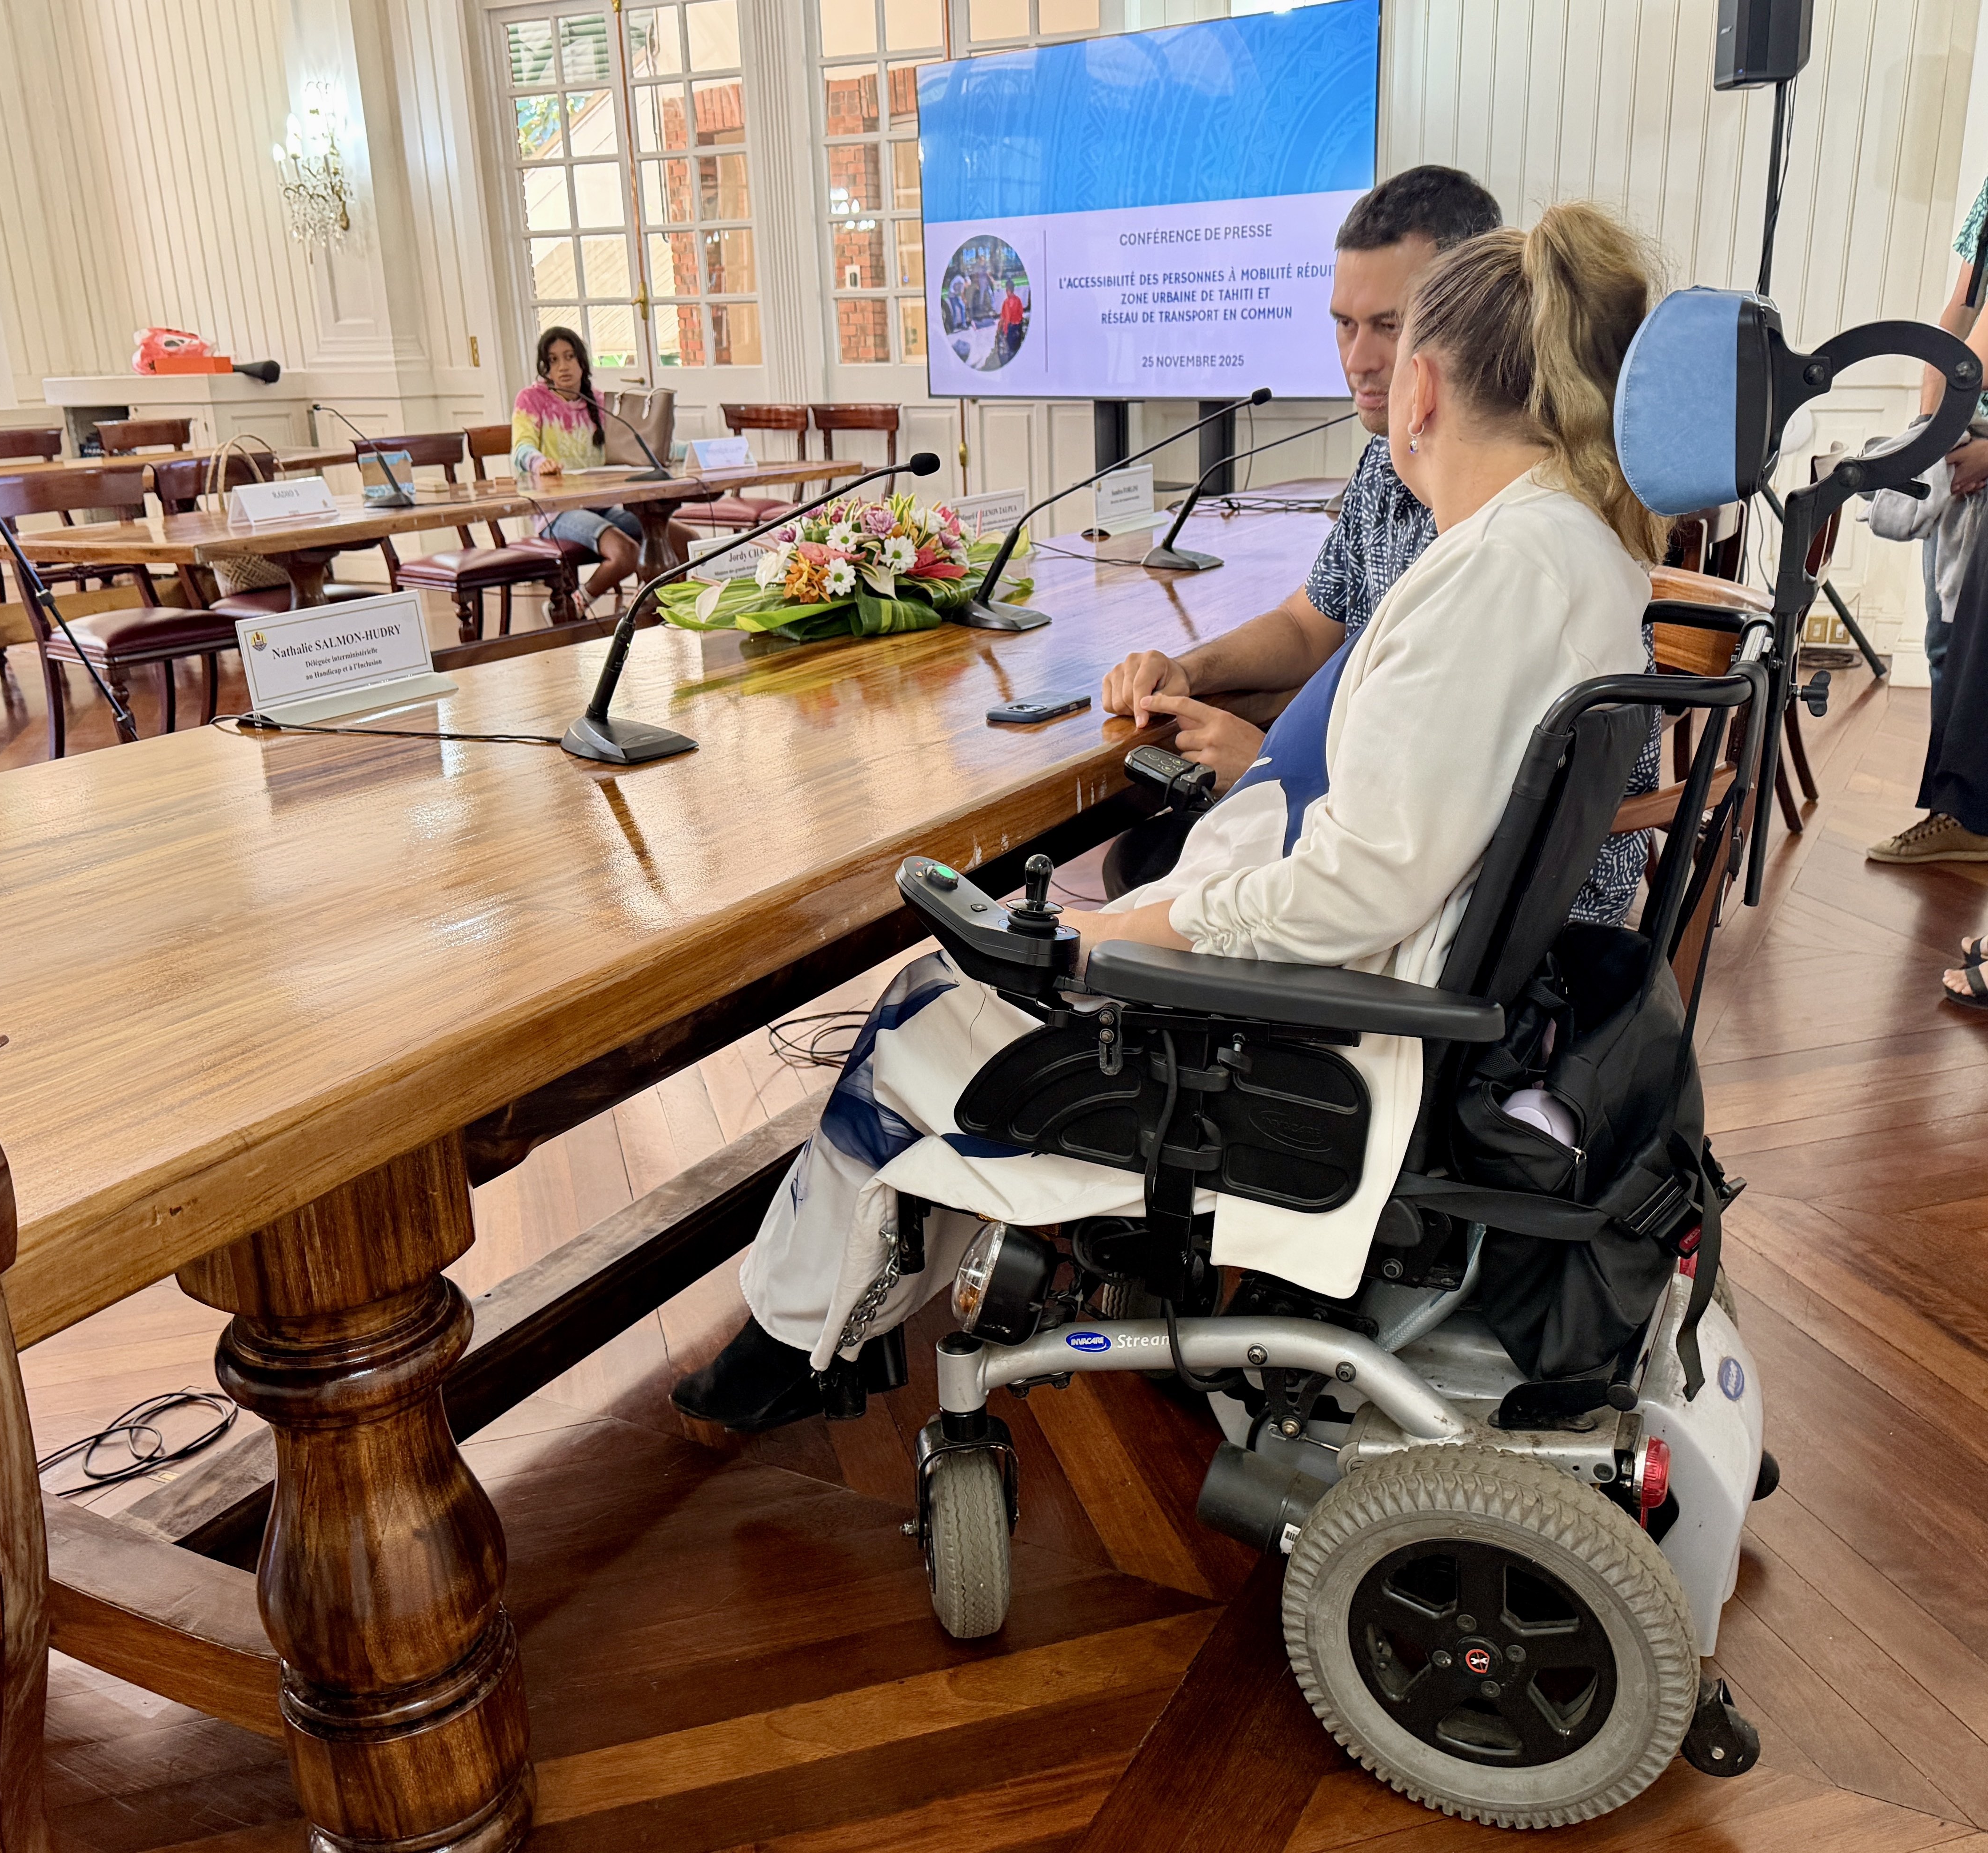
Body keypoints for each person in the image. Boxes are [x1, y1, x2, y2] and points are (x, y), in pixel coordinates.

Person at [673, 201, 1665, 1433]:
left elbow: (1356, 892)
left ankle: (795, 1337)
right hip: (1420, 1017)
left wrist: (1131, 940)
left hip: (1318, 1050)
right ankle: (832, 1318)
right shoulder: (1569, 551)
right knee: (1011, 952)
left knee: (922, 1005)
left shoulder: (1490, 575)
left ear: (1421, 389)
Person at [1096, 168, 1658, 927]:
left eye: (1389, 327)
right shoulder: (1547, 525)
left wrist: (1275, 771)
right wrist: (1191, 670)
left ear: (1429, 373)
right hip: (1459, 898)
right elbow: (1308, 626)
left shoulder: (1493, 569)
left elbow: (1372, 876)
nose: (1359, 360)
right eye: (1342, 324)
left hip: (1461, 923)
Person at [1870, 174, 1988, 866]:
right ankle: (1957, 814)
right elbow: (1957, 313)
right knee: (1943, 637)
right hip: (1959, 435)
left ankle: (1967, 812)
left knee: (1974, 654)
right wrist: (1930, 426)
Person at [510, 325, 694, 614]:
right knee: (625, 553)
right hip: (557, 511)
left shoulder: (597, 401)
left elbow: (638, 445)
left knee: (686, 541)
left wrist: (695, 452)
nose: (563, 367)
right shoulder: (531, 400)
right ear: (544, 367)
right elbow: (521, 449)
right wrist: (539, 462)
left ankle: (658, 604)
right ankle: (572, 607)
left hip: (603, 506)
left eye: (570, 357)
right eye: (554, 360)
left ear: (583, 363)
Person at [998, 283, 1026, 362]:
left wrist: (1003, 330)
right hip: (1019, 327)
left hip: (1011, 328)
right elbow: (1021, 313)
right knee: (1018, 348)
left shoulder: (1007, 303)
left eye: (1007, 291)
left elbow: (1005, 318)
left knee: (1011, 351)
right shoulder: (1018, 300)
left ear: (1008, 291)